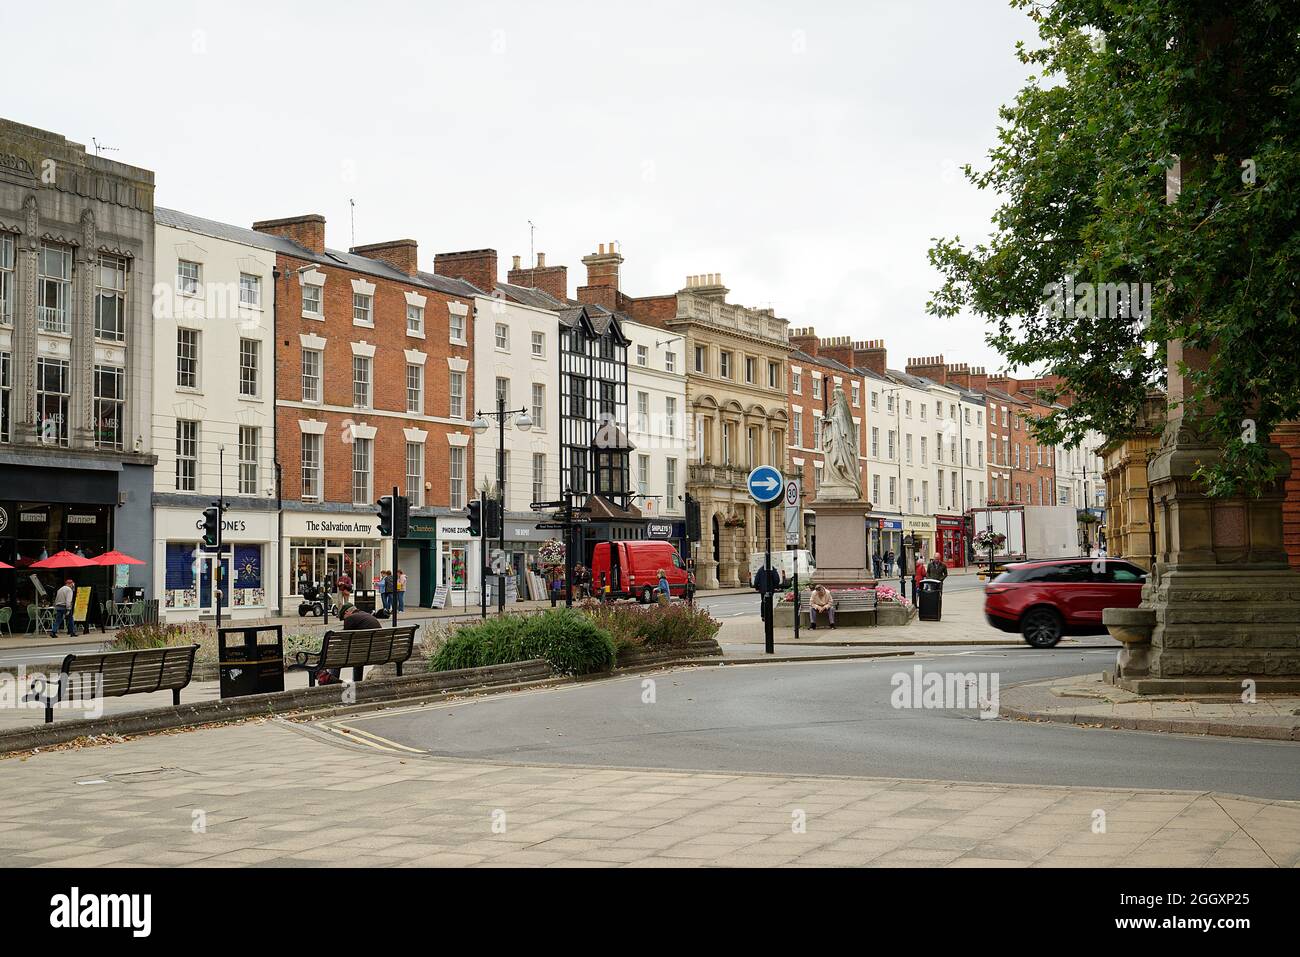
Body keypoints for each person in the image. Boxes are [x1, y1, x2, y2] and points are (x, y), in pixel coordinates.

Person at [318, 603, 384, 684]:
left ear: (347, 612)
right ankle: (357, 682)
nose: (344, 620)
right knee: (358, 656)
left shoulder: (351, 618)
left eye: (343, 618)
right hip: (378, 652)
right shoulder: (366, 615)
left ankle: (332, 682)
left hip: (365, 653)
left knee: (337, 658)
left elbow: (344, 640)